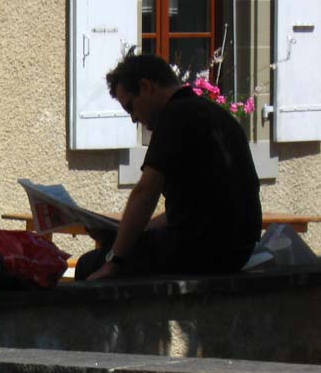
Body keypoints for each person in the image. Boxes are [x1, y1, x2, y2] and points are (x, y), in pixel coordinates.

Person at [79, 52, 262, 280]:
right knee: (116, 242)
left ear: (146, 87)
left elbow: (145, 193)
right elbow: (191, 209)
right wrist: (123, 233)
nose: (134, 118)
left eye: (131, 107)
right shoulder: (216, 114)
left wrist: (113, 262)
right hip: (238, 250)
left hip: (198, 250)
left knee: (88, 265)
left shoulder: (175, 115)